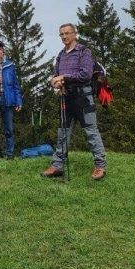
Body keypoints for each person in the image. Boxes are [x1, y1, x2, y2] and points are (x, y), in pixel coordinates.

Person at [41, 23, 107, 180]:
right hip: (66, 98)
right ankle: (57, 166)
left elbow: (85, 74)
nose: (64, 37)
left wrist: (64, 78)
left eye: (67, 33)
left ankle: (100, 166)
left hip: (83, 97)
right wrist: (55, 82)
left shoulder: (84, 52)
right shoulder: (61, 55)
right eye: (62, 34)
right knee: (62, 133)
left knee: (91, 131)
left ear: (75, 34)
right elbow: (54, 75)